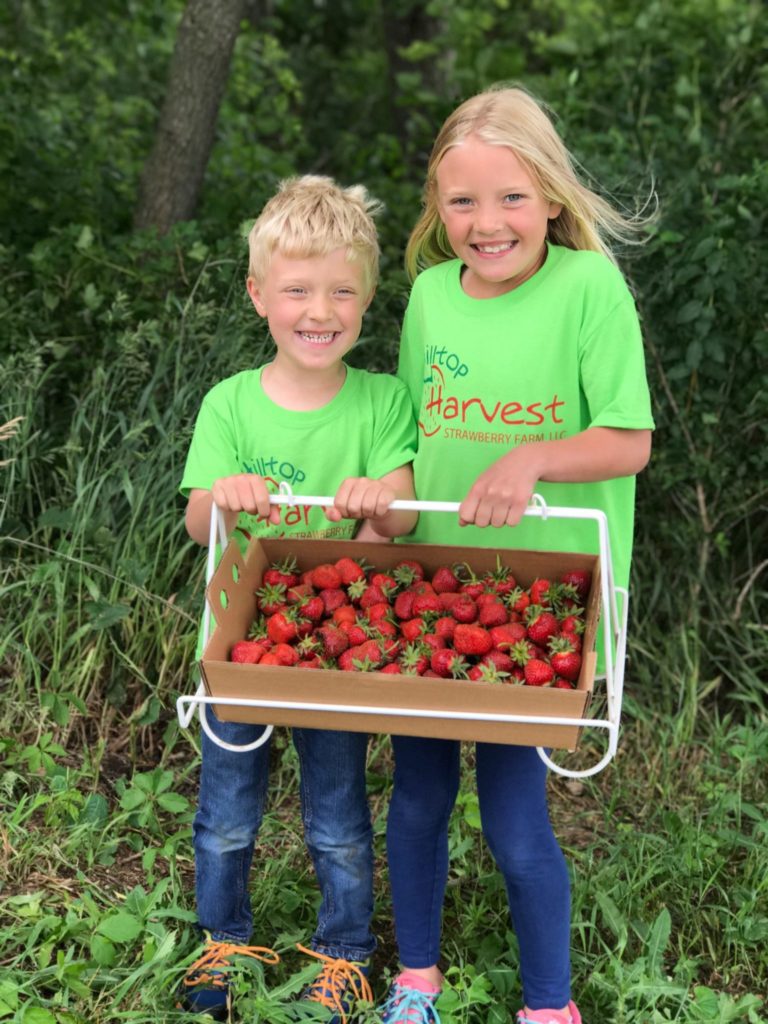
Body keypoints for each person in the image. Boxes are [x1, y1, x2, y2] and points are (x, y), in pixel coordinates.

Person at [379, 85, 654, 1024]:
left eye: (510, 199)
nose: (487, 223)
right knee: (415, 797)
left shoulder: (587, 288)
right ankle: (415, 979)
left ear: (550, 198)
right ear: (436, 208)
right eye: (461, 202)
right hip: (435, 592)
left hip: (540, 601)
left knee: (513, 816)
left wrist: (532, 455)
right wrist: (386, 508)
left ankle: (549, 1005)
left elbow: (628, 440)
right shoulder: (426, 298)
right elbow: (415, 441)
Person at [179, 174, 418, 1021]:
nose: (320, 311)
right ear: (258, 295)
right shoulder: (230, 405)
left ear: (366, 298)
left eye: (341, 291)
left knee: (338, 815)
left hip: (335, 649)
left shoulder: (383, 401)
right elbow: (197, 522)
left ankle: (344, 952)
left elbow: (397, 520)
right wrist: (228, 494)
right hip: (239, 642)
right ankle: (223, 939)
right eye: (297, 291)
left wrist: (374, 507)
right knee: (227, 814)